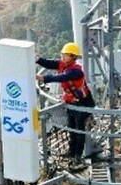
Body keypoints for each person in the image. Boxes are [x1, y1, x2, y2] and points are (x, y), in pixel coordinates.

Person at [36, 42, 95, 170]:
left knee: (79, 131)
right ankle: (72, 153)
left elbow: (62, 77)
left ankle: (77, 157)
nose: (62, 57)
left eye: (65, 55)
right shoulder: (63, 64)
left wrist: (43, 78)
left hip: (81, 104)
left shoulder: (76, 71)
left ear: (73, 57)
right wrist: (38, 60)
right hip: (71, 103)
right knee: (72, 129)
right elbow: (50, 63)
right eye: (62, 54)